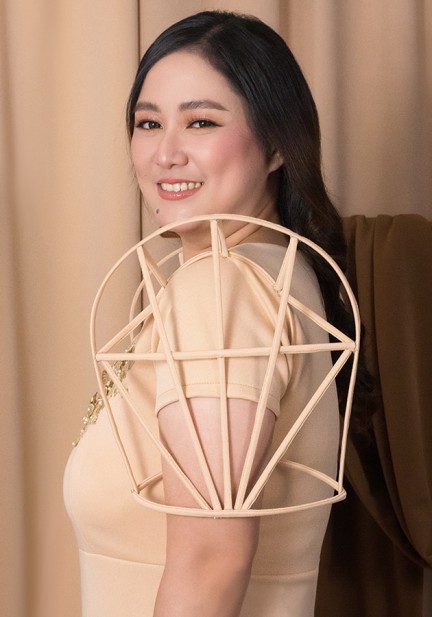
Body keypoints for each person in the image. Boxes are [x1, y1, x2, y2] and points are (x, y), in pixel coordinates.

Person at [64, 10, 366, 617]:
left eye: (201, 121)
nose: (165, 153)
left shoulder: (222, 288)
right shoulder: (277, 273)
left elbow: (211, 559)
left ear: (277, 144)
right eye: (149, 123)